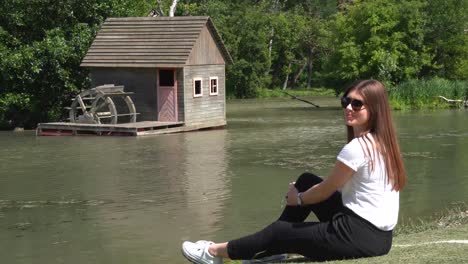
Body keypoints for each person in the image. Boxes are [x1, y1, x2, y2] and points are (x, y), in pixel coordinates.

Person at [181, 79, 407, 264]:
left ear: (374, 109)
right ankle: (273, 250)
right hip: (378, 237)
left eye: (357, 104)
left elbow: (326, 191)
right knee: (307, 180)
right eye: (346, 101)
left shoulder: (357, 148)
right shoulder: (382, 142)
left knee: (280, 231)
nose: (348, 107)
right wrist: (302, 195)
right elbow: (322, 188)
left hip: (357, 236)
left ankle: (213, 253)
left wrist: (297, 199)